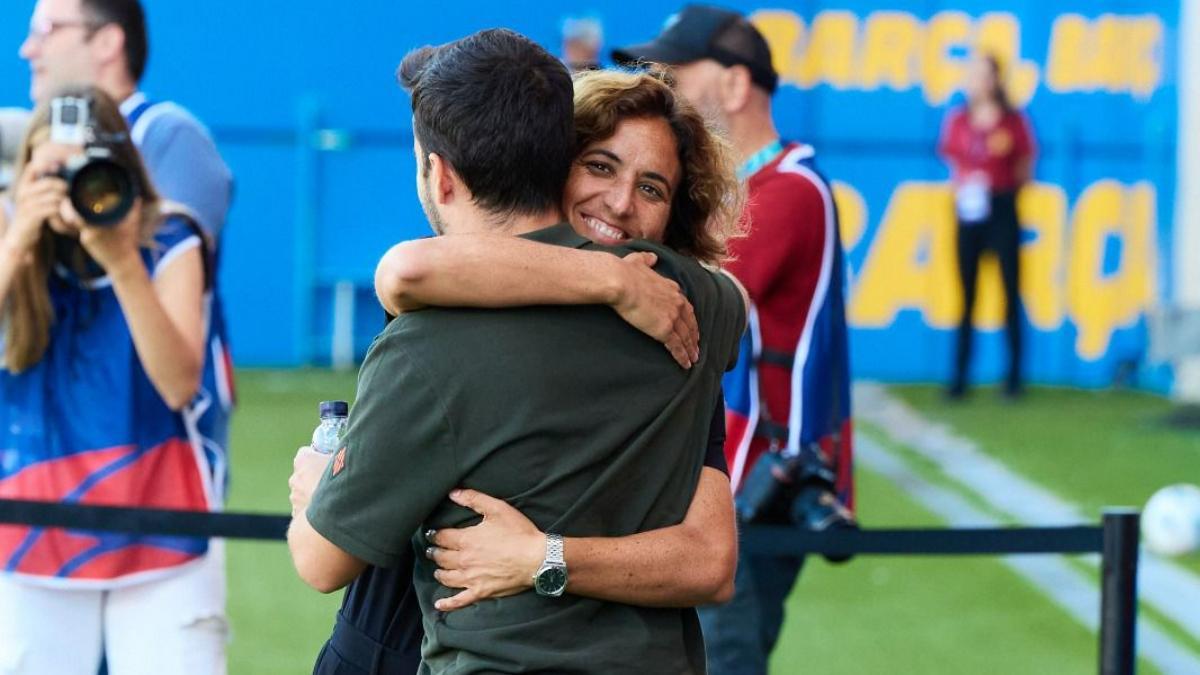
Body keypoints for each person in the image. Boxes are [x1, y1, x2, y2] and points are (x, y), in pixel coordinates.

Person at [286, 29, 745, 674]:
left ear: (438, 174)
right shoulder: (688, 305)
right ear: (554, 160)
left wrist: (314, 491)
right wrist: (608, 279)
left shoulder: (430, 343)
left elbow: (320, 560)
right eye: (601, 166)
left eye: (652, 188)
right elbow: (406, 271)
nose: (617, 203)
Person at [613, 6, 856, 674]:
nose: (662, 88)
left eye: (676, 73)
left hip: (758, 478)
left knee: (722, 659)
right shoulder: (747, 189)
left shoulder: (790, 190)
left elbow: (686, 309)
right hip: (722, 471)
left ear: (736, 85)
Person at [0, 85, 227, 674]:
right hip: (34, 522)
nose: (77, 189)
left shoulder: (167, 239)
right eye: (55, 171)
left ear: (123, 169)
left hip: (159, 517)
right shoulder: (8, 227)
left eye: (91, 173)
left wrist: (122, 260)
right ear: (24, 171)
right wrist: (22, 235)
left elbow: (179, 384)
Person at [938, 53, 1036, 400]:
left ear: (995, 80)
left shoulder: (1012, 122)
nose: (975, 82)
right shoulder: (959, 121)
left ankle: (1014, 378)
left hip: (1001, 207)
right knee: (967, 295)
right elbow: (952, 164)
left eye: (981, 75)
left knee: (1010, 293)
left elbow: (1026, 166)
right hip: (969, 211)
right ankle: (959, 377)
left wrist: (1000, 189)